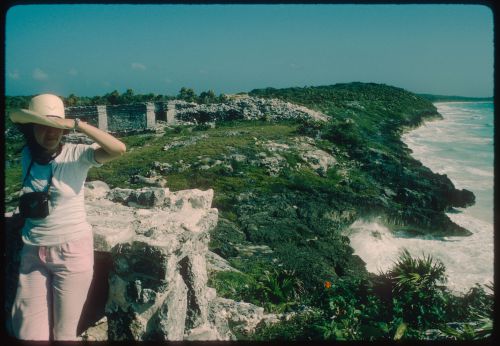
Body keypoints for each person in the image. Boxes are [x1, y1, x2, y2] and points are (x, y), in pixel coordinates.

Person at [8, 93, 126, 340]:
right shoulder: (27, 156)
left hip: (70, 251)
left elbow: (118, 149)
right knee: (27, 332)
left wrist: (78, 124)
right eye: (44, 126)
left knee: (64, 333)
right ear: (31, 128)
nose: (52, 133)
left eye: (57, 128)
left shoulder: (77, 154)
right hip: (32, 251)